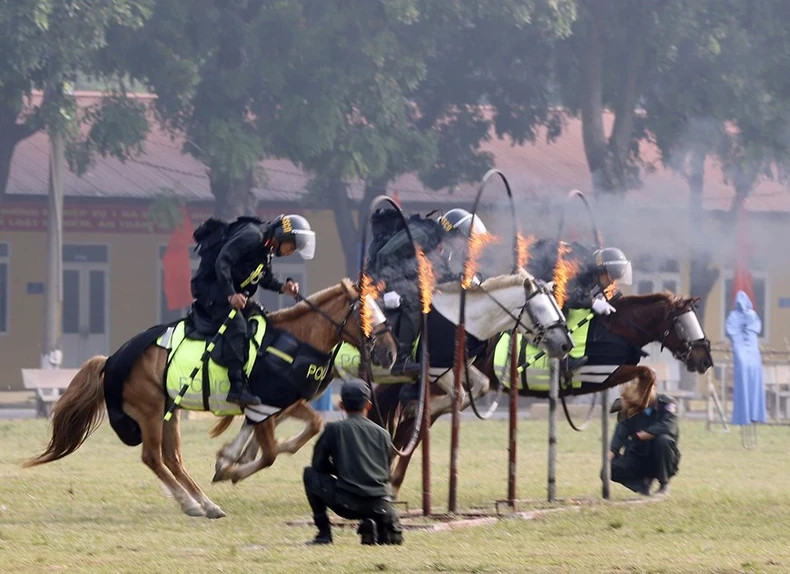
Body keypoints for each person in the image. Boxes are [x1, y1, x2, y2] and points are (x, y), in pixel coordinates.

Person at [190, 214, 315, 407]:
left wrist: (283, 287)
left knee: (261, 319)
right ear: (282, 235)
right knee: (238, 327)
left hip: (228, 291)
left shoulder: (267, 248)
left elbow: (263, 278)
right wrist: (231, 294)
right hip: (210, 288)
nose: (292, 252)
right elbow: (222, 262)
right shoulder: (253, 236)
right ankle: (236, 390)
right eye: (292, 246)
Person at [371, 208, 487, 375]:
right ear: (453, 232)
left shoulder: (441, 248)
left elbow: (440, 278)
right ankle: (400, 358)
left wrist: (463, 280)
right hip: (381, 279)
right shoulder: (422, 235)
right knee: (415, 298)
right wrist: (387, 288)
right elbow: (384, 255)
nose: (467, 247)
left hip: (401, 279)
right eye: (465, 240)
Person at [303, 378, 404, 545]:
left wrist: (342, 469)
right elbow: (386, 471)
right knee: (392, 539)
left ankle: (324, 533)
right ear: (368, 405)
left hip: (346, 504)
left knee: (310, 474)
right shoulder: (383, 434)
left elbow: (318, 465)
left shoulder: (333, 429)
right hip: (381, 504)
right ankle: (373, 523)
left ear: (341, 405)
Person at [563, 246, 632, 372]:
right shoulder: (577, 274)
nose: (612, 282)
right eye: (612, 276)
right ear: (601, 271)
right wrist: (592, 302)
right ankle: (563, 360)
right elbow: (568, 296)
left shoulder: (594, 281)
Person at [608, 378, 680, 496]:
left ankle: (664, 485)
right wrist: (612, 451)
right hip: (638, 456)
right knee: (609, 468)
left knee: (663, 441)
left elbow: (667, 426)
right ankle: (642, 486)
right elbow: (620, 432)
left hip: (663, 458)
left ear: (654, 386)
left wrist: (642, 435)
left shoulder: (667, 404)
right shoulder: (629, 407)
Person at [725, 290, 766, 426]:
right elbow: (732, 331)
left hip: (752, 353)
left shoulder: (752, 315)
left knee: (754, 381)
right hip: (742, 352)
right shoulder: (735, 316)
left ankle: (755, 414)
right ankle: (744, 415)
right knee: (743, 382)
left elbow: (754, 330)